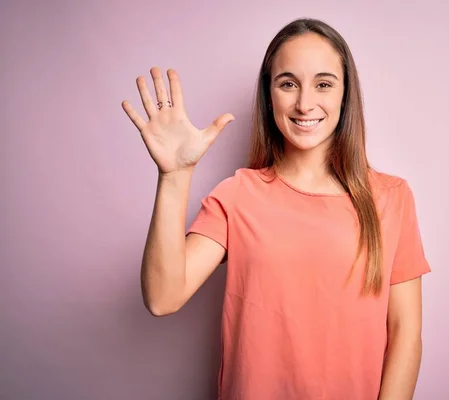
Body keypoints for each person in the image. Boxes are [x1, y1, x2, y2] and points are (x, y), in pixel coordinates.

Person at [122, 17, 431, 400]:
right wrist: (174, 175)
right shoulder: (238, 194)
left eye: (323, 84)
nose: (304, 103)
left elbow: (405, 334)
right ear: (269, 96)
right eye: (288, 84)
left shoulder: (391, 197)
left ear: (345, 95)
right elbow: (162, 297)